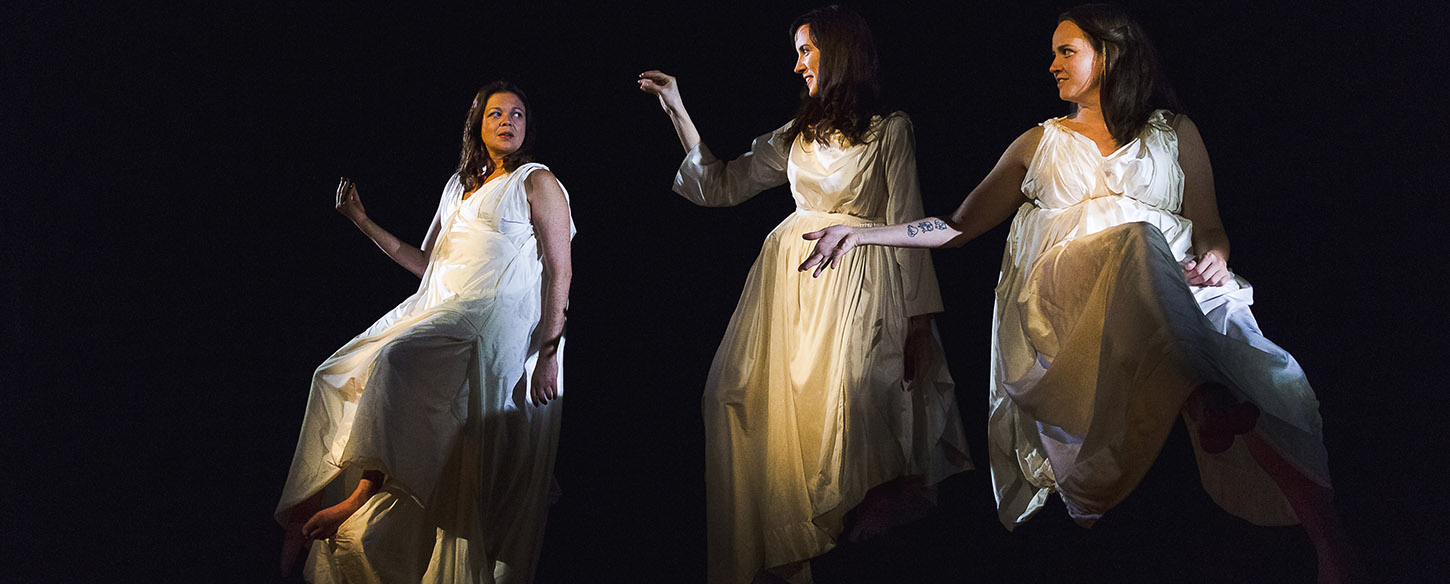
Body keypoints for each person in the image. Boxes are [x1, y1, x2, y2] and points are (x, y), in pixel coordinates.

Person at [799, 4, 1354, 582]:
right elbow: (958, 227)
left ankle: (1329, 539)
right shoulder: (1040, 143)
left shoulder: (1174, 133)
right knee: (1136, 243)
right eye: (1055, 52)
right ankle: (1200, 397)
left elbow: (1210, 225)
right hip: (1074, 291)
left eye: (1067, 51)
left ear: (1109, 54)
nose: (1053, 64)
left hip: (1180, 284)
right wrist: (862, 234)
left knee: (1257, 365)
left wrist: (1216, 257)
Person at [639, 6, 972, 583]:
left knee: (840, 420)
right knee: (729, 398)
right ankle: (776, 551)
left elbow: (911, 221)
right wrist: (677, 109)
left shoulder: (888, 130)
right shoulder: (794, 137)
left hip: (860, 288)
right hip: (789, 294)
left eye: (806, 51)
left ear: (838, 52)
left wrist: (919, 323)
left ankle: (836, 532)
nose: (797, 66)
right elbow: (719, 184)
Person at [274, 81, 575, 584]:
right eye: (497, 114)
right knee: (335, 373)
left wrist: (548, 353)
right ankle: (306, 505)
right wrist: (362, 221)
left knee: (395, 361)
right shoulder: (457, 186)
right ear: (477, 124)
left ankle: (359, 495)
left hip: (495, 316)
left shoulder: (536, 180)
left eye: (518, 114)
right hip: (441, 306)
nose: (508, 122)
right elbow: (425, 264)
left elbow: (561, 271)